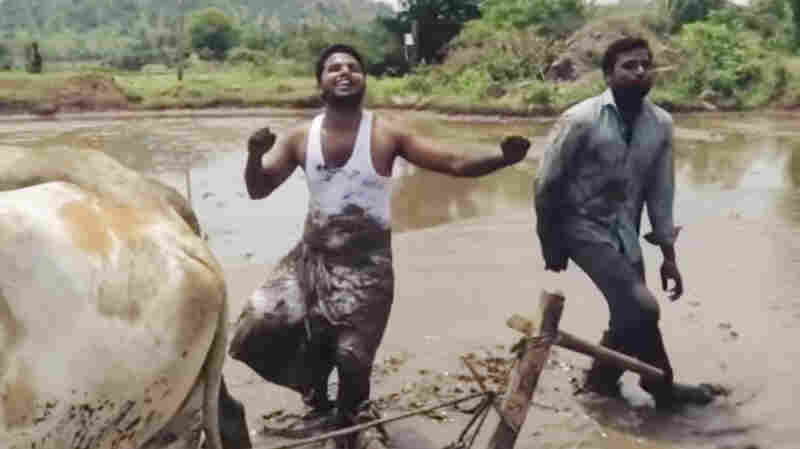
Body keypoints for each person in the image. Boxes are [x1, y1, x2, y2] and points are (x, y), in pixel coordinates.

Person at [229, 43, 530, 435]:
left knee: (352, 359)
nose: (344, 72)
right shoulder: (302, 137)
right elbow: (258, 189)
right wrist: (254, 155)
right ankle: (318, 405)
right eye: (334, 67)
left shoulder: (387, 133)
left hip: (368, 267)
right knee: (263, 325)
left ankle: (348, 427)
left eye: (352, 67)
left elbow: (453, 163)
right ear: (320, 82)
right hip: (312, 261)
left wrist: (500, 158)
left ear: (364, 80)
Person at [533, 37, 718, 409]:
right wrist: (550, 244)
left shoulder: (661, 124)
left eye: (645, 65)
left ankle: (599, 383)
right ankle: (662, 387)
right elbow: (545, 182)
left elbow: (661, 192)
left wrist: (668, 255)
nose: (639, 72)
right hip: (580, 226)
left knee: (628, 312)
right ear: (607, 75)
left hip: (624, 231)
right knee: (643, 308)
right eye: (628, 66)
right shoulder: (581, 119)